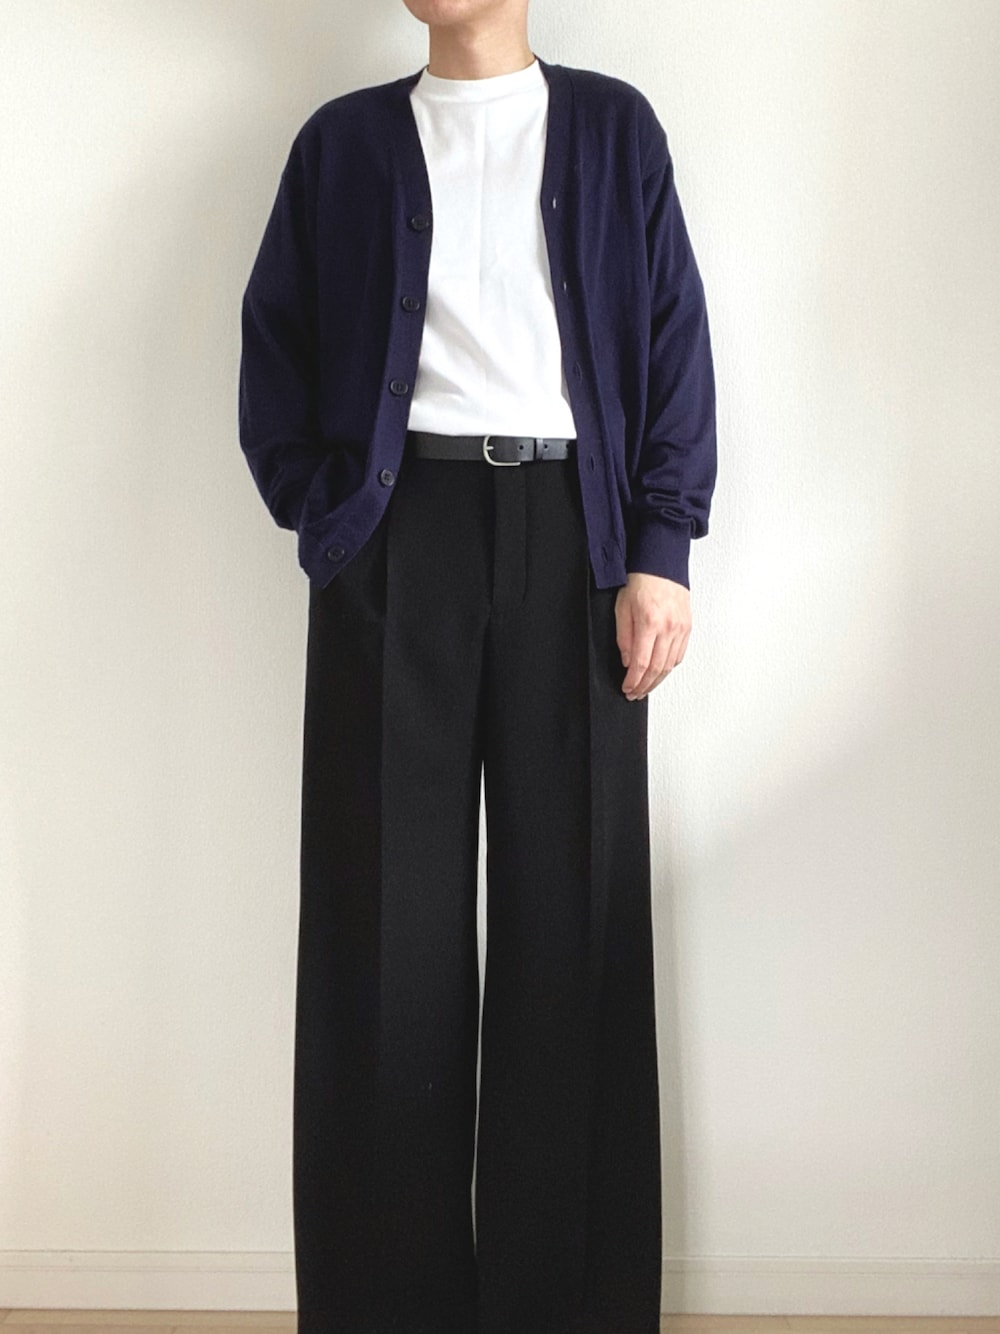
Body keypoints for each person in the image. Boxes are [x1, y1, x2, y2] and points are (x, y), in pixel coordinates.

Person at [238, 1, 717, 1330]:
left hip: (579, 544)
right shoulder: (342, 147)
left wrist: (661, 549)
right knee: (382, 937)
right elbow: (273, 347)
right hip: (400, 543)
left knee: (575, 932)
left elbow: (673, 340)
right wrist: (331, 517)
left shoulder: (614, 131)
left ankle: (565, 1306)